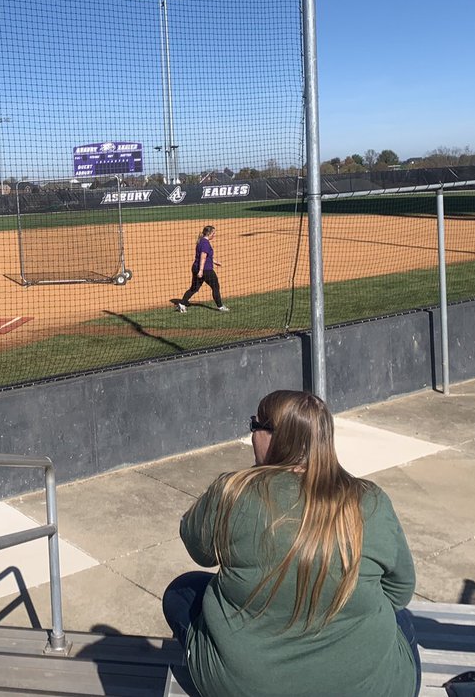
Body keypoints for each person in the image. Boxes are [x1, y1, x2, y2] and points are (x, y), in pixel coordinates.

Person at [162, 390, 420, 697]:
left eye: (255, 425)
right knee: (401, 617)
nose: (252, 435)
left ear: (273, 436)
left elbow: (198, 550)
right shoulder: (372, 500)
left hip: (243, 687)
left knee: (183, 590)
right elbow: (400, 592)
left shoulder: (231, 492)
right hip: (378, 689)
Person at [175, 225, 229, 314]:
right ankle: (220, 306)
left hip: (196, 268)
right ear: (209, 233)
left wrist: (215, 262)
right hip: (206, 270)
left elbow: (205, 256)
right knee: (215, 287)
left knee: (194, 288)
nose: (214, 235)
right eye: (213, 233)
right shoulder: (205, 243)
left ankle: (182, 303)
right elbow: (203, 257)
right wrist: (201, 270)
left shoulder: (201, 241)